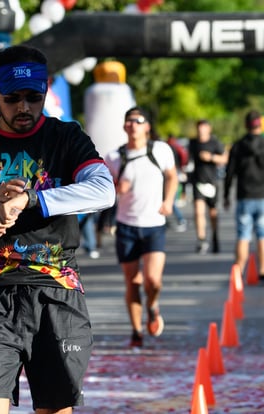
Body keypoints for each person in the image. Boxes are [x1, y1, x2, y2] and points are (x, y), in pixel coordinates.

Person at [0, 45, 115, 414]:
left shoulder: (66, 137)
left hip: (56, 292)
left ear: (46, 89)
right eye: (12, 98)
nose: (24, 107)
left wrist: (29, 200)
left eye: (34, 96)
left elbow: (103, 189)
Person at [105, 106, 178, 347]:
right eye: (128, 121)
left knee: (152, 282)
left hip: (154, 225)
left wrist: (168, 201)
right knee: (133, 283)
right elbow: (104, 189)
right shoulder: (114, 157)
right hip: (126, 226)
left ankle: (153, 305)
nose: (132, 125)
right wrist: (117, 189)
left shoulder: (160, 150)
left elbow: (172, 176)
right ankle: (136, 331)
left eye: (137, 120)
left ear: (147, 126)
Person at [224, 110, 264, 283]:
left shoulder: (238, 146)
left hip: (244, 195)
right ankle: (263, 272)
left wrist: (226, 194)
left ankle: (239, 272)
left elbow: (229, 173)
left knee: (243, 236)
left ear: (246, 125)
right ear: (260, 125)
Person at [189, 119, 228, 254]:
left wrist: (211, 157)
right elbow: (188, 159)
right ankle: (201, 240)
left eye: (203, 128)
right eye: (199, 128)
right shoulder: (193, 143)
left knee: (212, 213)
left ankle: (215, 236)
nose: (201, 131)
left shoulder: (215, 142)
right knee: (198, 212)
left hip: (212, 182)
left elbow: (224, 159)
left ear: (208, 129)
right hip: (198, 181)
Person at [167, 134, 189, 232]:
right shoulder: (176, 147)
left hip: (173, 173)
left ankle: (181, 219)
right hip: (176, 172)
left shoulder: (171, 147)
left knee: (171, 201)